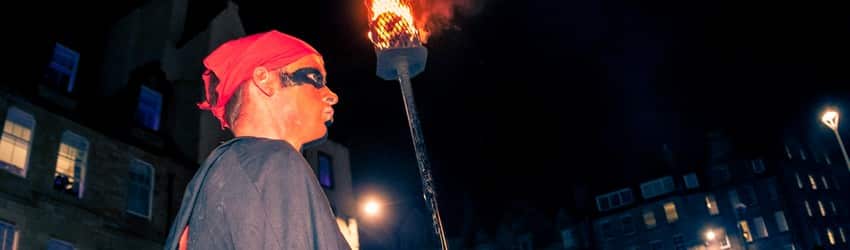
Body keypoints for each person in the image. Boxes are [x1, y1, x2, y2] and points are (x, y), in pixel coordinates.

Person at [163, 30, 349, 250]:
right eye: (316, 79)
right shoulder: (273, 162)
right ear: (264, 80)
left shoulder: (224, 171)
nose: (332, 95)